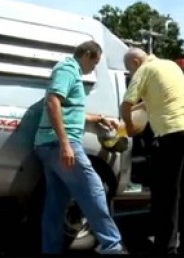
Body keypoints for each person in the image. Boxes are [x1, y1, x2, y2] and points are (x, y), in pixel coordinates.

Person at [34, 41, 126, 255]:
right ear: (87, 54)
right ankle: (112, 246)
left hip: (48, 144)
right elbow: (53, 102)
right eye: (94, 63)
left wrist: (101, 118)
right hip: (59, 144)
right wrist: (66, 144)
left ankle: (50, 249)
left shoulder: (69, 71)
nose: (93, 69)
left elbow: (69, 112)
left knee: (56, 202)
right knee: (94, 189)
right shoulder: (68, 69)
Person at [120, 48, 184, 255]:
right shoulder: (171, 66)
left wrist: (128, 128)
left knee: (168, 195)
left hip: (171, 133)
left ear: (136, 61)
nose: (131, 74)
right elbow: (153, 104)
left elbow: (126, 105)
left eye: (130, 70)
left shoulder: (144, 69)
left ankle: (166, 248)